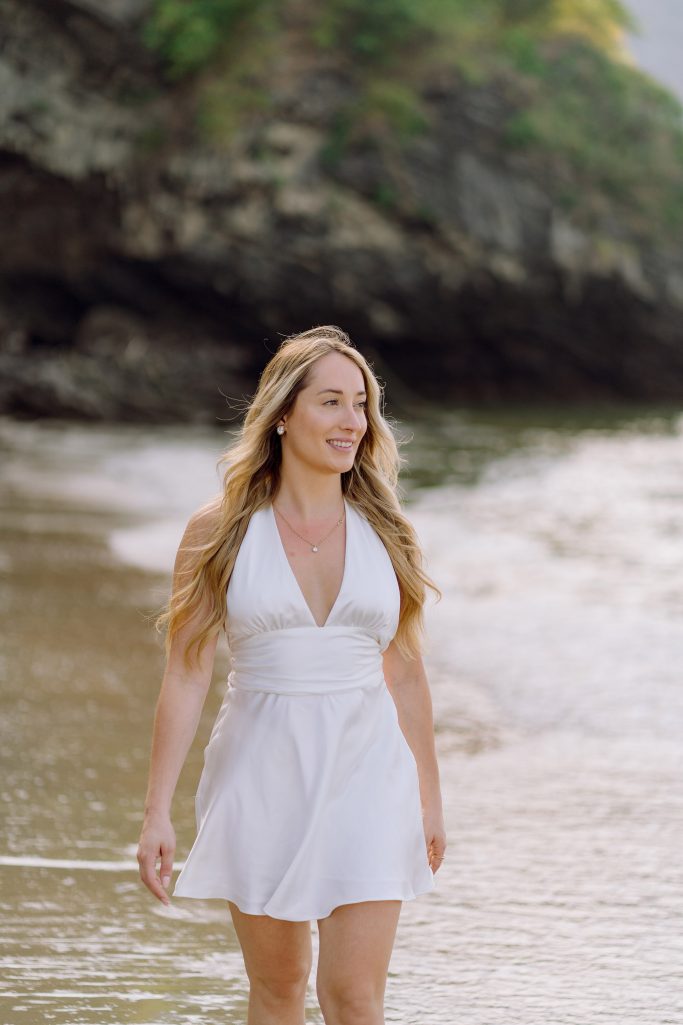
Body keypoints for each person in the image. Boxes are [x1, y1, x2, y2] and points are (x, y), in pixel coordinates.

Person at [137, 324, 447, 1025]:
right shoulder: (217, 530)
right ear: (283, 413)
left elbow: (404, 674)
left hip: (369, 773)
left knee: (354, 997)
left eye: (361, 404)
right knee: (278, 992)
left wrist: (428, 797)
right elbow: (185, 673)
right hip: (259, 771)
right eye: (331, 401)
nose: (351, 421)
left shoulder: (387, 529)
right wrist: (156, 809)